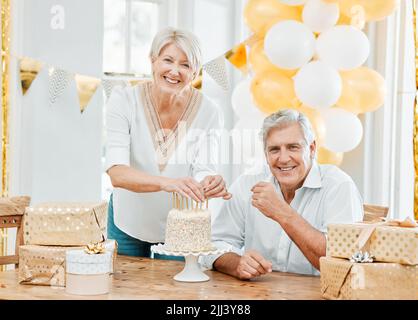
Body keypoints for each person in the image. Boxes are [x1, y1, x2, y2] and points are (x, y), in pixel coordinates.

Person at [105, 27, 231, 258]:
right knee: (124, 291)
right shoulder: (123, 100)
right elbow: (117, 173)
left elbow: (204, 169)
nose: (175, 71)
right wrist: (167, 183)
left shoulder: (210, 111)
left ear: (195, 72)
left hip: (179, 227)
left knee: (174, 291)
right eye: (168, 60)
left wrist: (209, 183)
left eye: (185, 64)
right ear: (153, 61)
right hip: (128, 220)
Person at [200, 109, 363, 277]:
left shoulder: (339, 186)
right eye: (274, 149)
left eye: (293, 147)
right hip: (258, 294)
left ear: (312, 149)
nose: (283, 158)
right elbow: (214, 244)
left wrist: (282, 213)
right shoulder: (247, 184)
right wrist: (237, 264)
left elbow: (342, 265)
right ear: (265, 154)